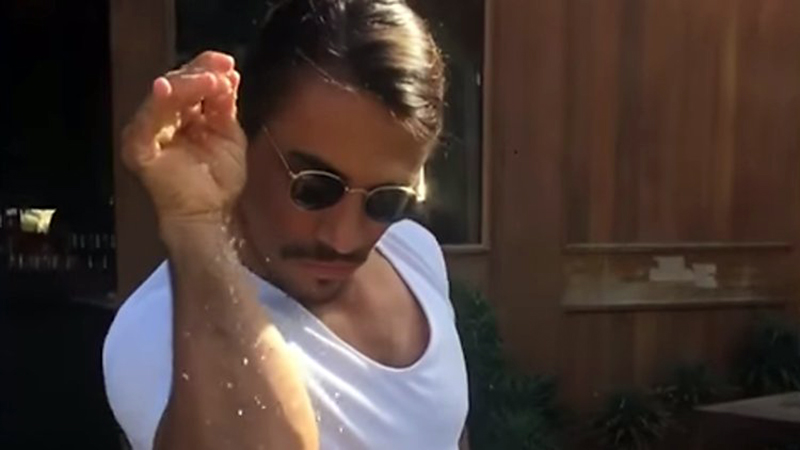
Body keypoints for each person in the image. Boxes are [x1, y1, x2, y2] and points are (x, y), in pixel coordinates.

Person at [102, 0, 469, 449]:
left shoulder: (412, 252)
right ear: (240, 132)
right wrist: (195, 223)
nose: (343, 239)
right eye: (314, 187)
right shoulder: (155, 331)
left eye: (386, 199)